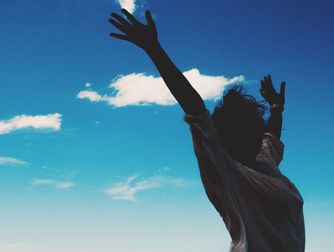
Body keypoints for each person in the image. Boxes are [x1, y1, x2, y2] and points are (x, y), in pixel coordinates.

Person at [109, 9, 305, 252]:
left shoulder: (264, 161)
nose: (257, 137)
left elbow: (271, 137)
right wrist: (153, 48)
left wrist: (276, 107)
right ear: (230, 136)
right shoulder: (227, 170)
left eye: (256, 131)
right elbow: (196, 110)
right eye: (250, 131)